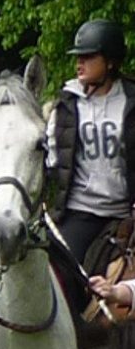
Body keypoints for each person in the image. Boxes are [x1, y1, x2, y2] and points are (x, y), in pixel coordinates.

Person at [46, 19, 135, 265]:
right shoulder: (66, 104)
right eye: (78, 57)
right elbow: (52, 162)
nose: (79, 63)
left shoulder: (131, 101)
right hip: (79, 211)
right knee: (62, 271)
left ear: (110, 61)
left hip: (125, 214)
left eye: (88, 57)